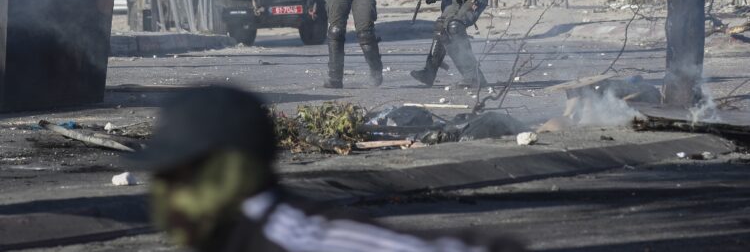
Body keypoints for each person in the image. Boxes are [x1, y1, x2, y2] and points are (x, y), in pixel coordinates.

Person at [128, 85, 527, 252]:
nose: (163, 196)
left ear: (227, 173)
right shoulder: (223, 240)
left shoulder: (305, 240)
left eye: (175, 177)